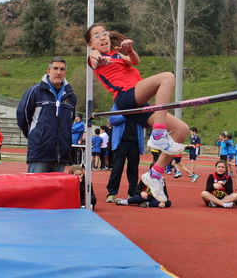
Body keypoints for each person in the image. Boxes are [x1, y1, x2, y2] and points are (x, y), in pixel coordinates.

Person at [87, 24, 188, 203]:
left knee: (181, 130)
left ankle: (154, 175)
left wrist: (130, 50)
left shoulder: (117, 55)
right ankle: (158, 134)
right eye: (97, 36)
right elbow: (94, 59)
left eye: (105, 34)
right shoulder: (95, 55)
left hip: (137, 103)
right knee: (167, 77)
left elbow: (135, 62)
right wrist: (99, 60)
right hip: (126, 97)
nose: (103, 37)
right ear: (90, 43)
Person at [17, 57, 77, 173]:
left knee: (56, 190)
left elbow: (70, 121)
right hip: (40, 152)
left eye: (62, 69)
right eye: (55, 68)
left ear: (65, 72)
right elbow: (22, 117)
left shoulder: (71, 96)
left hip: (61, 154)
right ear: (48, 71)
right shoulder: (35, 91)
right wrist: (36, 136)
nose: (58, 72)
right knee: (36, 189)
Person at [106, 106, 145, 203]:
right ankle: (111, 193)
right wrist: (128, 114)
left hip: (135, 143)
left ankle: (132, 193)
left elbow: (146, 122)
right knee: (117, 169)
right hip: (121, 143)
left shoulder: (140, 105)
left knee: (133, 170)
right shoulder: (118, 105)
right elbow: (112, 120)